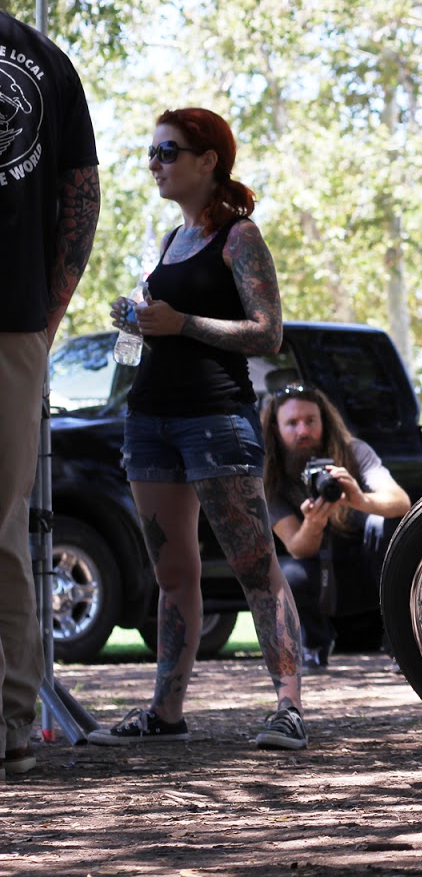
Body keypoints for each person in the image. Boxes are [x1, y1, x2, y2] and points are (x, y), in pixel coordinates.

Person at [86, 107, 307, 751]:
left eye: (168, 152)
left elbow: (268, 333)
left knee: (254, 566)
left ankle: (289, 710)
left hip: (215, 420)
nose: (155, 164)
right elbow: (160, 329)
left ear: (207, 160)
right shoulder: (169, 241)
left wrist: (181, 323)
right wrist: (138, 320)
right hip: (150, 420)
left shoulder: (239, 237)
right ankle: (166, 714)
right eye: (151, 153)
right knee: (173, 574)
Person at [0, 10, 100, 779]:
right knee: (3, 525)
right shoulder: (43, 57)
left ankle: (11, 720)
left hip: (18, 321)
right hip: (18, 324)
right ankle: (11, 722)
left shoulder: (42, 60)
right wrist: (45, 315)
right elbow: (81, 200)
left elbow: (81, 195)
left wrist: (44, 316)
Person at [261, 383, 411, 672]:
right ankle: (313, 644)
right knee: (286, 572)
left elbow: (401, 502)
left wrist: (361, 500)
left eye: (310, 420)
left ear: (324, 421)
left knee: (383, 523)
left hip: (372, 571)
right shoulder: (271, 473)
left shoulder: (354, 451)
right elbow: (297, 547)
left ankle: (403, 643)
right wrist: (314, 524)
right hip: (322, 579)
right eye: (292, 423)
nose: (303, 431)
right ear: (276, 429)